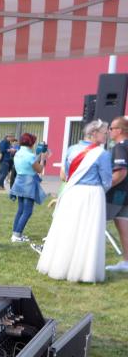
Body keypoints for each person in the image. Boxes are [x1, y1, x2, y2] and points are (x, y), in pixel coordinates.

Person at [37, 119, 112, 282]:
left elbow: (65, 175)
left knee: (67, 229)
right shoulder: (103, 154)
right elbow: (107, 181)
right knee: (87, 231)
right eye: (105, 133)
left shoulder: (71, 149)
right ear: (94, 133)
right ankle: (84, 271)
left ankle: (58, 266)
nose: (107, 136)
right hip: (92, 194)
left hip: (72, 192)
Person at [8, 133, 48, 243]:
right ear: (31, 143)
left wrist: (38, 156)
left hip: (19, 181)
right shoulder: (30, 156)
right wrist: (43, 159)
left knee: (20, 210)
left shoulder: (18, 153)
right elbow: (39, 169)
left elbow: (29, 165)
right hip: (28, 183)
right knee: (27, 211)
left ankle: (16, 233)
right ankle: (17, 235)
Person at [106, 116, 128, 272]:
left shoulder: (119, 147)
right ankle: (127, 262)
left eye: (111, 128)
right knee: (124, 228)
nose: (109, 131)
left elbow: (121, 172)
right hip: (125, 194)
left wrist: (103, 187)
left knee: (96, 223)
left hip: (117, 195)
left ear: (119, 130)